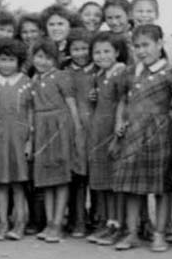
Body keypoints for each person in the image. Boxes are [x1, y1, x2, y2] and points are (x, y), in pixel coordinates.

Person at [112, 25, 172, 252]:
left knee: (161, 187)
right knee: (132, 187)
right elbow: (123, 101)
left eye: (146, 45)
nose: (141, 51)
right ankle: (132, 233)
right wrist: (119, 123)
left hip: (160, 135)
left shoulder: (171, 73)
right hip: (132, 134)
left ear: (160, 44)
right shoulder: (129, 73)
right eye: (137, 46)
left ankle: (159, 233)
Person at [30, 38, 83, 243]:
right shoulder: (34, 79)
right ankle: (49, 222)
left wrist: (76, 129)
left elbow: (71, 104)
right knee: (46, 178)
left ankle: (58, 223)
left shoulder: (61, 76)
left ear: (56, 59)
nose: (43, 61)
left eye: (48, 57)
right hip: (41, 126)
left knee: (61, 177)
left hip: (59, 125)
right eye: (39, 57)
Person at [0, 39, 33, 241]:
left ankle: (20, 223)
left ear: (19, 61)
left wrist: (30, 140)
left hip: (19, 138)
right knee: (1, 183)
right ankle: (2, 223)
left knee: (18, 184)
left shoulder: (27, 82)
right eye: (2, 60)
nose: (6, 64)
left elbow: (30, 112)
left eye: (11, 60)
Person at [86, 31, 128, 246]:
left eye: (106, 51)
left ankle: (118, 224)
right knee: (101, 181)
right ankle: (106, 222)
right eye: (97, 52)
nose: (101, 56)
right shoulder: (99, 75)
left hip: (112, 130)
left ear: (117, 52)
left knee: (115, 182)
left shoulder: (121, 73)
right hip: (98, 131)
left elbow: (123, 102)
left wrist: (118, 135)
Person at [65, 28, 95, 238]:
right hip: (71, 128)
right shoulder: (64, 72)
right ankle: (77, 219)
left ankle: (98, 216)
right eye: (75, 49)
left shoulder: (98, 71)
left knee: (95, 174)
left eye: (85, 48)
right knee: (76, 176)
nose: (81, 53)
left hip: (94, 128)